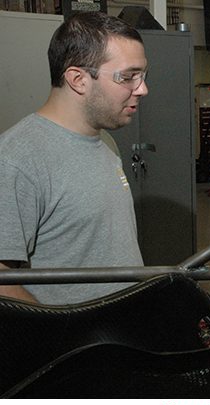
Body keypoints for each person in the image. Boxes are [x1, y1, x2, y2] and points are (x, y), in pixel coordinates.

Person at [0, 12, 148, 304]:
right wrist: (63, 334)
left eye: (142, 76)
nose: (142, 89)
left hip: (122, 334)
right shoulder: (16, 159)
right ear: (78, 79)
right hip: (74, 345)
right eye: (128, 77)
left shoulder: (103, 141)